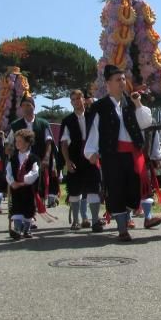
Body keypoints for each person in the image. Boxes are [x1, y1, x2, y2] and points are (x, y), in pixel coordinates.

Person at [83, 65, 154, 241]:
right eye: (117, 80)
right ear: (108, 84)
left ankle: (125, 217)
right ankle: (122, 229)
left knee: (135, 189)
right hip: (111, 154)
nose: (122, 82)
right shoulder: (100, 107)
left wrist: (138, 103)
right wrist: (90, 152)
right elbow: (94, 131)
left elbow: (146, 123)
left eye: (123, 79)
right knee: (116, 190)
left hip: (132, 154)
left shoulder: (131, 103)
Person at [60, 89, 102, 231]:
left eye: (79, 98)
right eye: (73, 99)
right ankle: (76, 221)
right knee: (74, 191)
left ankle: (95, 221)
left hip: (91, 158)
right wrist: (67, 161)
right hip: (75, 158)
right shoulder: (67, 120)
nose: (76, 101)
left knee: (93, 189)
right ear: (71, 102)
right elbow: (64, 143)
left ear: (84, 99)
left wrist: (97, 154)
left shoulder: (93, 116)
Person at [10, 95, 54, 204]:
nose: (26, 108)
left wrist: (47, 157)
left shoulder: (43, 124)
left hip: (38, 159)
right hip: (21, 160)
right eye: (23, 105)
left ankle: (36, 205)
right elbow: (9, 142)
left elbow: (49, 141)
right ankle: (25, 209)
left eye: (28, 105)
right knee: (23, 184)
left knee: (38, 185)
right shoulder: (16, 125)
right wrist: (9, 150)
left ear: (34, 107)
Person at [6, 128, 40, 239]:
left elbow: (35, 172)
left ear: (27, 142)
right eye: (16, 141)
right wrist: (12, 182)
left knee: (28, 209)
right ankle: (17, 229)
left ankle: (27, 229)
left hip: (28, 189)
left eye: (19, 141)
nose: (17, 143)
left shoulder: (33, 158)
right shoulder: (13, 158)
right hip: (16, 188)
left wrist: (25, 180)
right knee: (16, 208)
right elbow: (8, 171)